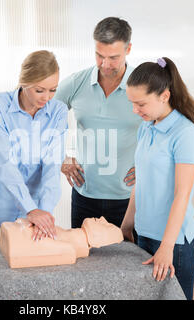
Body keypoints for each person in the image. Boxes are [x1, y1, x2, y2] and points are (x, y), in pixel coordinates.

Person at [121, 57, 194, 300]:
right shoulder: (147, 126)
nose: (135, 110)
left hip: (176, 245)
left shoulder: (185, 134)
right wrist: (127, 224)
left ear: (164, 96)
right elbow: (141, 181)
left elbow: (182, 194)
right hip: (143, 235)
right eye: (132, 103)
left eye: (141, 104)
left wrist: (167, 247)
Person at [54, 17, 142, 229]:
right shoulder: (77, 82)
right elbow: (41, 117)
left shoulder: (142, 83)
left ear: (128, 49)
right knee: (85, 261)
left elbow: (166, 129)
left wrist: (149, 165)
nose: (105, 64)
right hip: (85, 196)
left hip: (130, 198)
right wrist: (61, 157)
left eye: (113, 57)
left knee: (128, 262)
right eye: (99, 55)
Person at [0, 50, 68, 245]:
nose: (47, 98)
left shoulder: (58, 111)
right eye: (39, 90)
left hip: (32, 221)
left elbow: (53, 165)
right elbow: (4, 162)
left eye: (53, 90)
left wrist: (43, 212)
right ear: (24, 82)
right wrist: (30, 208)